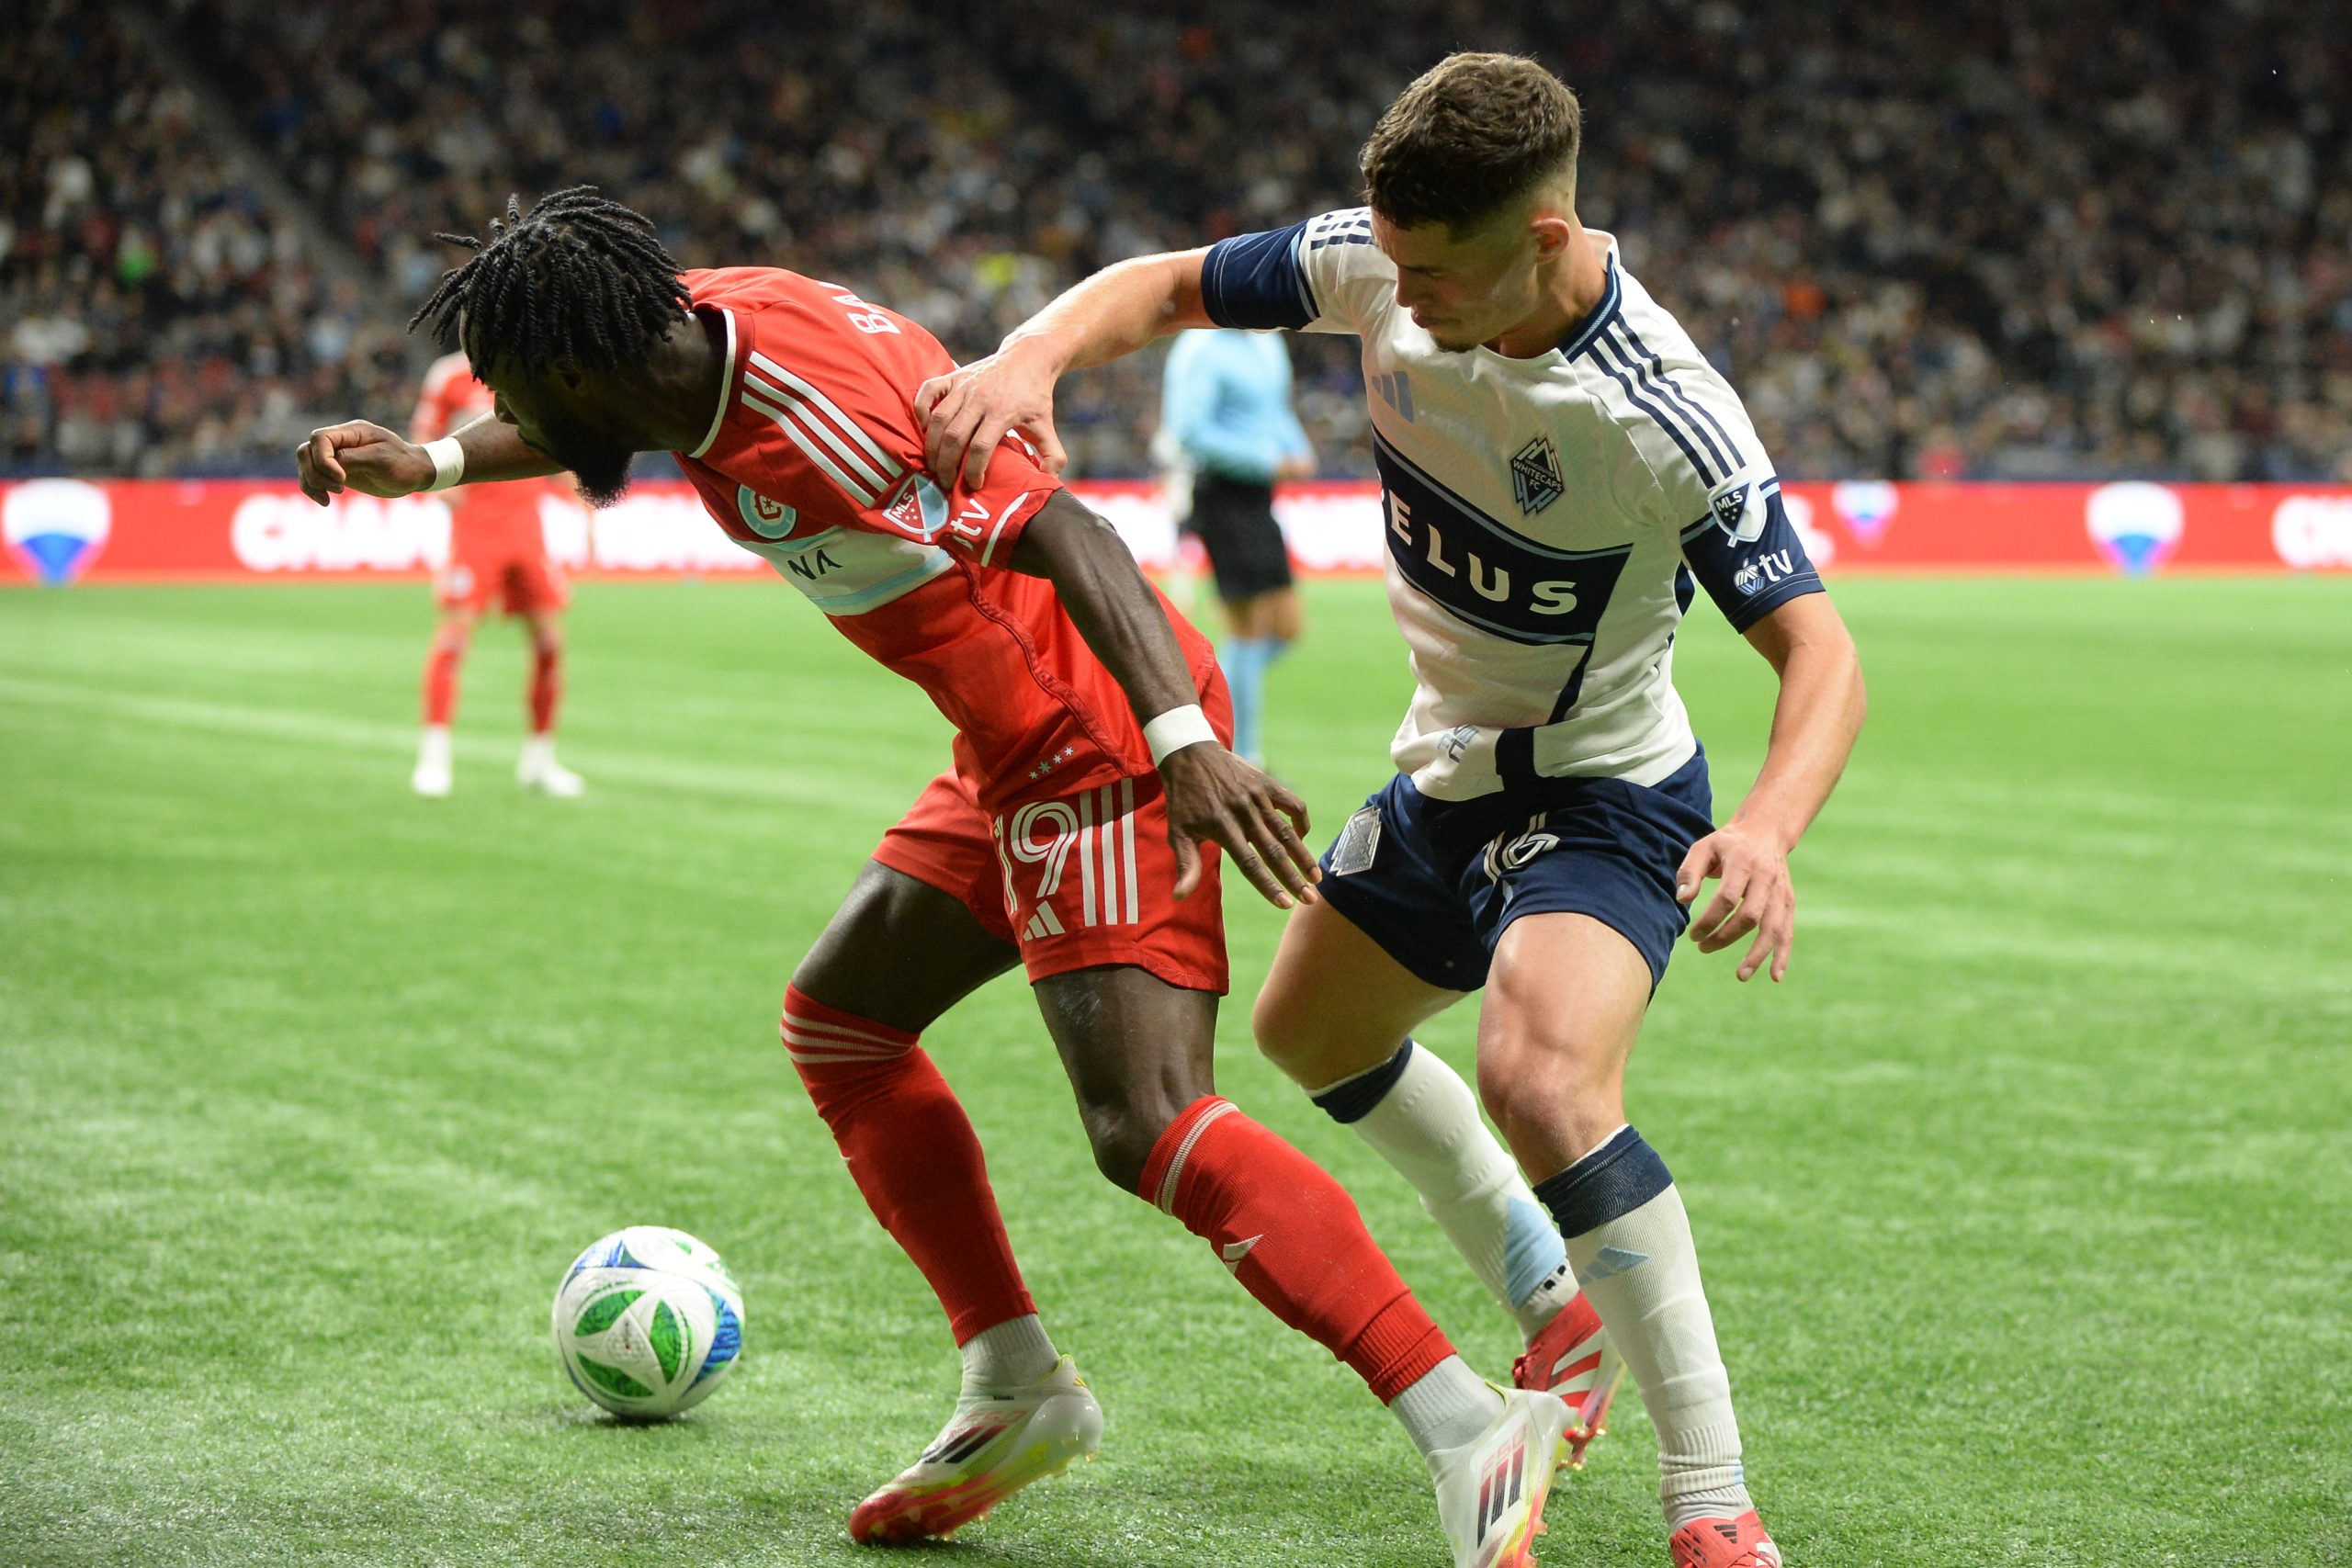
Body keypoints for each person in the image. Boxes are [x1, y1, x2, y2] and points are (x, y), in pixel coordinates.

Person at [295, 188, 1576, 1568]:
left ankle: (1466, 1422)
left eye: (524, 394)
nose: (521, 419)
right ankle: (1015, 1379)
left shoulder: (816, 412)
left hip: (1092, 733)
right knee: (840, 1022)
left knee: (1145, 1119)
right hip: (1006, 738)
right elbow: (565, 420)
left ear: (584, 367)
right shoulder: (674, 329)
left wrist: (1184, 745)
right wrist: (426, 465)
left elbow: (1071, 534)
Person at [919, 53, 1869, 1568]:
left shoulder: (1663, 408)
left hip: (1602, 792)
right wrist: (1031, 355)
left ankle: (1714, 1496)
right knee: (1310, 1034)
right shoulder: (1378, 262)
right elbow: (1164, 285)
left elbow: (1820, 651)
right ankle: (1560, 1314)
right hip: (1443, 775)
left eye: (1438, 270)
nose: (1400, 293)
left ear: (1546, 239)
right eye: (1392, 257)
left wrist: (1761, 829)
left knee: (1541, 1077)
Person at [407, 350, 582, 797]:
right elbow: (422, 435)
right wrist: (438, 492)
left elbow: (554, 441)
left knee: (549, 643)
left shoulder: (531, 367)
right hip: (477, 527)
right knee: (454, 639)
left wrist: (579, 500)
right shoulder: (448, 375)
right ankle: (434, 757)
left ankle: (540, 761)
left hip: (527, 524)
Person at [1155, 329, 1313, 765]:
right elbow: (1188, 433)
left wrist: (1298, 449)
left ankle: (1203, 697)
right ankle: (1244, 757)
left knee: (1286, 627)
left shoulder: (1266, 342)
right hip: (1221, 493)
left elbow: (1275, 410)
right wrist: (1268, 461)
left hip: (1259, 496)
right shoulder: (1200, 349)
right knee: (1249, 626)